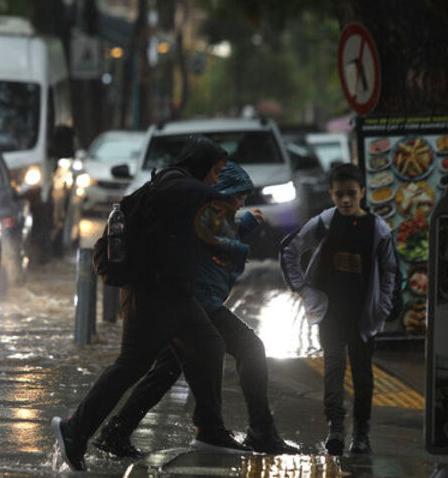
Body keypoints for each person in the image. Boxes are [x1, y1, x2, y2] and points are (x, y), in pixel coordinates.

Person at [51, 135, 250, 472]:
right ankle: (75, 430)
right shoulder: (175, 185)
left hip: (176, 293)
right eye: (215, 171)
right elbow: (195, 201)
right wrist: (217, 199)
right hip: (150, 294)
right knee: (131, 364)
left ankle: (210, 430)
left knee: (209, 344)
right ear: (200, 166)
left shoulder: (180, 189)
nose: (217, 178)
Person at [91, 162, 299, 459]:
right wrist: (244, 228)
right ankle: (257, 431)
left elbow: (220, 235)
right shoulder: (202, 215)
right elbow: (216, 241)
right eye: (237, 197)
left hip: (189, 303)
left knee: (165, 370)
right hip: (198, 304)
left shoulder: (209, 214)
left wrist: (243, 223)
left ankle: (116, 432)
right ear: (221, 194)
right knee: (250, 348)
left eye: (243, 198)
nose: (241, 203)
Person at [279, 163, 398, 455]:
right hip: (330, 314)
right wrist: (301, 287)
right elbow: (290, 250)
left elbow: (390, 271)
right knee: (333, 370)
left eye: (351, 194)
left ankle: (361, 433)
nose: (345, 200)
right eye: (339, 194)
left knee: (363, 376)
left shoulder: (378, 229)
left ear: (362, 193)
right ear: (331, 194)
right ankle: (335, 430)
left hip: (362, 315)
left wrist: (382, 307)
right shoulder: (325, 222)